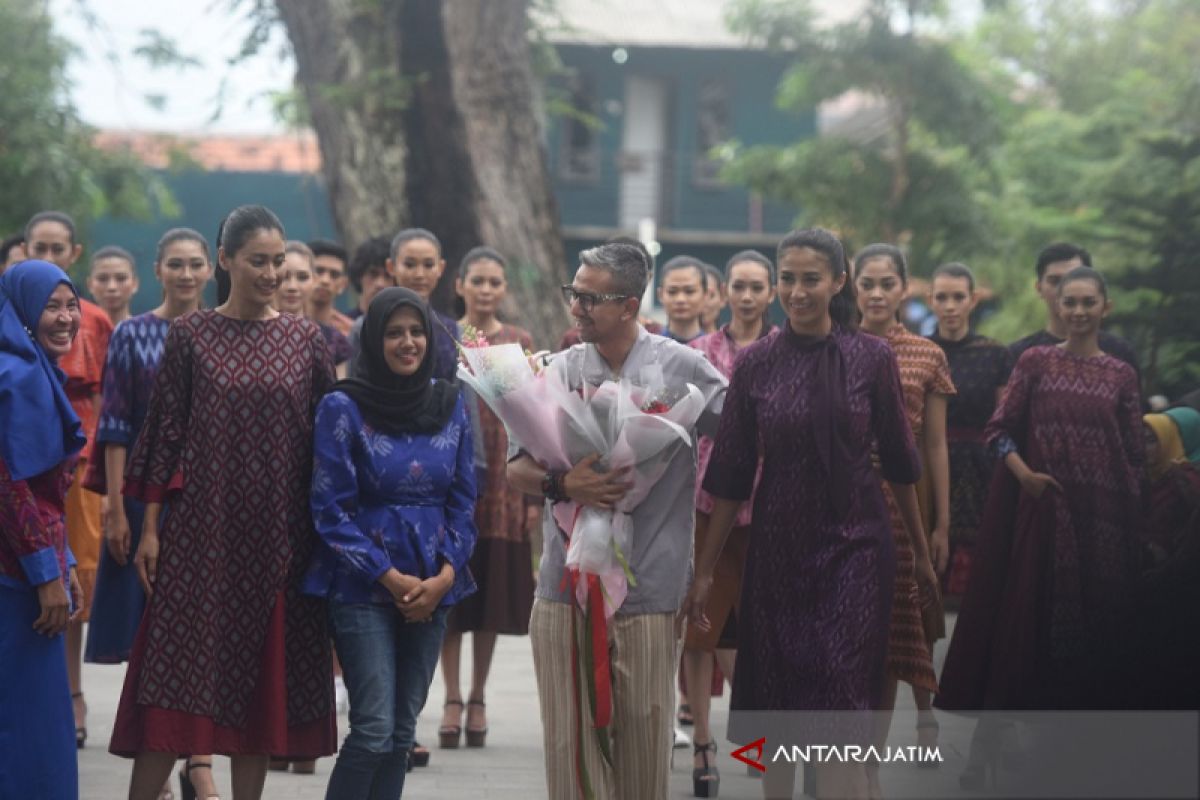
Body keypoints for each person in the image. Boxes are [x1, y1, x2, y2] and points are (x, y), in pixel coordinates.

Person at [685, 228, 926, 800]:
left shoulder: (873, 358)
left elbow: (900, 460)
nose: (796, 291)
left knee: (841, 695)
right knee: (782, 698)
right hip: (777, 554)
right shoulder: (757, 365)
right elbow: (731, 474)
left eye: (810, 278)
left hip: (857, 549)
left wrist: (920, 551)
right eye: (787, 278)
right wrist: (704, 571)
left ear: (838, 281)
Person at [109, 205, 337, 800]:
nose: (270, 273)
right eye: (257, 261)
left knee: (259, 686)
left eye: (278, 262)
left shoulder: (304, 340)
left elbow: (328, 442)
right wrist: (151, 528)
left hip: (280, 538)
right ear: (225, 261)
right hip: (200, 536)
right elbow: (165, 433)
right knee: (176, 677)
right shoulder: (190, 336)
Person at [507, 242, 727, 799]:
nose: (575, 307)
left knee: (646, 736)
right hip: (565, 584)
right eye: (573, 294)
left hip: (650, 582)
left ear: (629, 306)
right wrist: (564, 484)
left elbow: (743, 440)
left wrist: (709, 549)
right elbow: (517, 468)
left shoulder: (683, 367)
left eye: (589, 298)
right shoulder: (558, 370)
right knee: (567, 739)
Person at [937, 267, 1143, 786]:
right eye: (1068, 300)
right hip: (1042, 515)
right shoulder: (1035, 362)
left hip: (1104, 525)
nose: (1077, 311)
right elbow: (998, 430)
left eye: (1087, 302)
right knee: (1019, 627)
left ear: (1105, 306)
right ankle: (983, 753)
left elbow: (1134, 454)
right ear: (1054, 300)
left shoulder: (1121, 374)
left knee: (1093, 637)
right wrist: (1024, 475)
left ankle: (1077, 760)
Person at [305, 287, 477, 798]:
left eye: (417, 330)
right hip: (363, 587)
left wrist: (443, 578)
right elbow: (328, 508)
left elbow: (466, 503)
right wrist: (392, 577)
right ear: (373, 339)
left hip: (433, 585)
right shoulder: (341, 407)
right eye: (394, 332)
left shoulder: (451, 403)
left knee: (402, 734)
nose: (408, 342)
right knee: (374, 730)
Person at [82, 228, 217, 797]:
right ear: (157, 271)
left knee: (205, 631)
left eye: (195, 265)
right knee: (149, 635)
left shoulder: (220, 333)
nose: (186, 275)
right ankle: (156, 761)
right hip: (142, 495)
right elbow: (113, 427)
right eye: (176, 265)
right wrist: (115, 509)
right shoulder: (133, 335)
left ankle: (200, 760)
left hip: (210, 497)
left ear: (211, 269)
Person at [853, 243, 952, 781]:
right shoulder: (834, 346)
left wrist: (940, 526)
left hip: (902, 505)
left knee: (891, 638)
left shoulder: (927, 355)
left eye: (886, 284)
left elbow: (935, 446)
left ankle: (867, 770)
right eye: (866, 283)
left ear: (904, 289)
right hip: (840, 502)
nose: (875, 294)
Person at [683, 249, 775, 797]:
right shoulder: (696, 353)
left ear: (771, 294)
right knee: (698, 632)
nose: (745, 296)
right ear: (722, 291)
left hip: (768, 511)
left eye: (756, 287)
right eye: (737, 286)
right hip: (703, 506)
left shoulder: (786, 353)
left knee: (754, 639)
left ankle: (753, 744)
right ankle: (701, 743)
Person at [439, 247, 536, 750]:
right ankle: (450, 697)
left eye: (494, 282)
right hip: (451, 481)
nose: (485, 289)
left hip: (501, 483)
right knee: (449, 597)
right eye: (477, 280)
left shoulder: (515, 341)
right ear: (459, 283)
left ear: (504, 289)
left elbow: (524, 417)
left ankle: (478, 695)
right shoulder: (444, 336)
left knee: (490, 598)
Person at [25, 209, 113, 748]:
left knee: (71, 576)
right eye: (41, 247)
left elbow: (105, 398)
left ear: (75, 254)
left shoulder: (94, 320)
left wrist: (106, 479)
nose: (51, 257)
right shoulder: (13, 318)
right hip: (25, 462)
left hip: (78, 459)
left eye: (60, 249)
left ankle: (73, 695)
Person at [0, 260, 87, 800]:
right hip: (15, 583)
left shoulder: (37, 371)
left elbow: (49, 494)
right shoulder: (16, 378)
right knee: (26, 728)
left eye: (70, 305)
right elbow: (10, 489)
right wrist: (46, 575)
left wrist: (68, 563)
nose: (64, 318)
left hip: (32, 574)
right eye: (50, 307)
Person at [927, 263, 1012, 597]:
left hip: (982, 466)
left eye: (958, 297)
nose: (950, 306)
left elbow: (1004, 421)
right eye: (942, 297)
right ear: (931, 300)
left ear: (972, 300)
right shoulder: (920, 350)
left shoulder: (995, 354)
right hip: (928, 463)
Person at [1137, 411, 1200, 710]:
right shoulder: (1143, 479)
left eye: (1153, 440)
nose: (1144, 447)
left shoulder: (1184, 482)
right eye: (1142, 439)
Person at [1009, 242, 1140, 381]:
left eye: (1074, 279)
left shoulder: (1120, 353)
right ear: (1039, 288)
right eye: (1055, 281)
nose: (1065, 289)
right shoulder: (1017, 355)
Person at [277, 240, 352, 378]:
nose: (325, 280)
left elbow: (337, 393)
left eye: (302, 277)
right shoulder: (251, 331)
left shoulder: (335, 338)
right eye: (285, 276)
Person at [309, 238, 354, 336]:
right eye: (318, 271)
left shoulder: (351, 333)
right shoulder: (281, 325)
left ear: (343, 284)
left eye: (334, 275)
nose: (325, 280)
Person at [658, 255, 708, 344]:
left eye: (689, 291)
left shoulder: (717, 352)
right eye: (672, 292)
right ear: (660, 295)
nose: (680, 299)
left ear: (705, 295)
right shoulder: (649, 350)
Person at [88, 245, 140, 326]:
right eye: (102, 279)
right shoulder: (76, 335)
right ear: (90, 285)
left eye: (121, 278)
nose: (112, 287)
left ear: (135, 284)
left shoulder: (145, 335)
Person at [346, 235, 394, 321]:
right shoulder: (341, 329)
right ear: (359, 275)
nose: (380, 283)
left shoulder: (406, 327)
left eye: (388, 275)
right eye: (373, 274)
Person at [700, 262, 726, 334]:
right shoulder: (667, 343)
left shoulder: (732, 343)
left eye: (710, 295)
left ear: (723, 297)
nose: (703, 303)